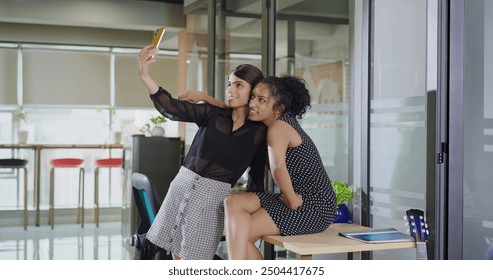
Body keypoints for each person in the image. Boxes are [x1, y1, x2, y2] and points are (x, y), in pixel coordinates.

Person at [137, 44, 267, 260]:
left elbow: (257, 177)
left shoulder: (259, 133)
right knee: (175, 253)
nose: (230, 90)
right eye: (229, 84)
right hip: (180, 187)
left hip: (211, 201)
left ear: (253, 92)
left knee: (196, 259)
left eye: (238, 85)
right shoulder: (213, 113)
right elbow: (171, 107)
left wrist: (251, 216)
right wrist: (144, 74)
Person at [223, 75, 338, 260]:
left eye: (262, 100)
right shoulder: (279, 124)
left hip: (315, 205)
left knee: (241, 234)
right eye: (253, 97)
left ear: (278, 109)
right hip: (293, 195)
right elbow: (228, 109)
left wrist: (292, 200)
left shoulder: (278, 127)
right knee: (233, 202)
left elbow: (278, 168)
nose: (252, 104)